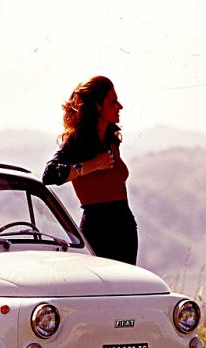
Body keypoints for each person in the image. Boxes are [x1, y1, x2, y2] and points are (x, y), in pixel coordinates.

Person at [42, 76, 137, 265]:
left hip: (125, 230)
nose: (120, 106)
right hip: (98, 232)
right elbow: (49, 175)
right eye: (113, 102)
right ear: (97, 106)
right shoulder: (75, 142)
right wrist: (92, 165)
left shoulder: (111, 140)